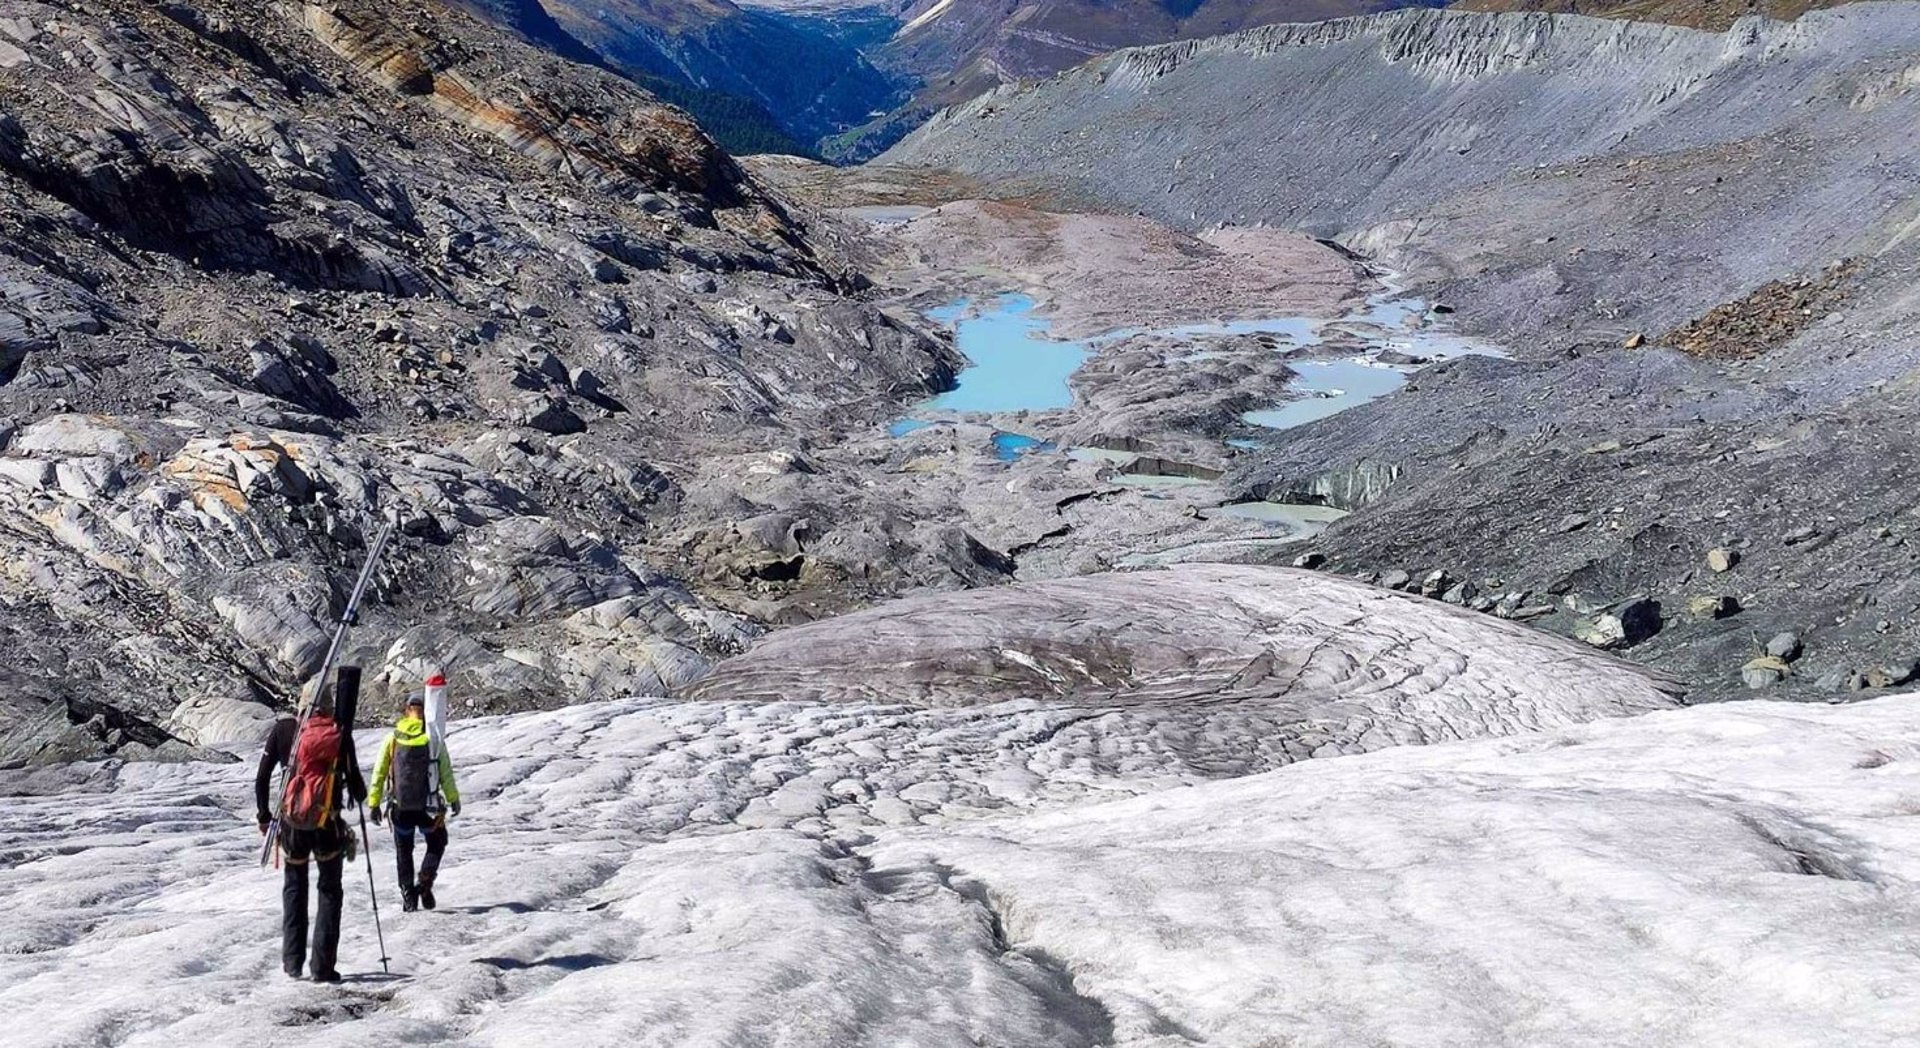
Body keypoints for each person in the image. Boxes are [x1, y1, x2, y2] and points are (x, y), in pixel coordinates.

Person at [254, 683, 366, 983]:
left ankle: (292, 963)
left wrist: (264, 816)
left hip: (292, 823)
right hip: (327, 824)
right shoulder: (338, 733)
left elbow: (262, 778)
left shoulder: (284, 730)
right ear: (329, 705)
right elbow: (358, 787)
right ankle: (322, 968)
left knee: (294, 887)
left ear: (301, 703)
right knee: (330, 891)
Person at [368, 692, 460, 912]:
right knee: (437, 841)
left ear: (406, 710)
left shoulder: (393, 738)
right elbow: (444, 771)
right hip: (427, 809)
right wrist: (453, 798)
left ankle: (408, 895)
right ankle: (426, 879)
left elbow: (379, 772)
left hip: (400, 808)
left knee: (403, 850)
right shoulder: (433, 739)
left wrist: (374, 803)